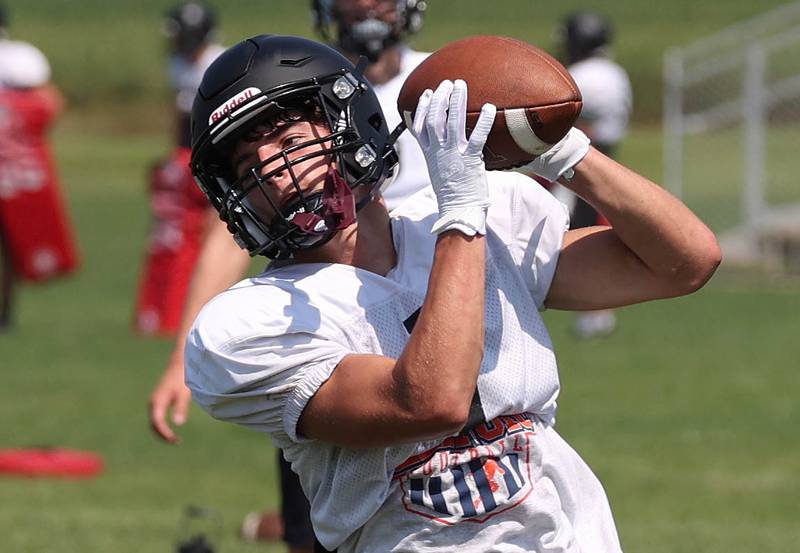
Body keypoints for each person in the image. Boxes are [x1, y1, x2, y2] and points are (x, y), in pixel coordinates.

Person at [183, 34, 721, 552]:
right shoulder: (249, 325)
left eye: (292, 143)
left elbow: (684, 262)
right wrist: (462, 213)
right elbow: (429, 402)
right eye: (250, 169)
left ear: (353, 126)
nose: (275, 178)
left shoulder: (478, 219)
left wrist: (565, 155)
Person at [146, 1, 430, 550]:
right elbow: (229, 239)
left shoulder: (448, 81)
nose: (366, 6)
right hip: (328, 328)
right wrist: (180, 355)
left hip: (439, 301)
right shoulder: (289, 85)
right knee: (322, 529)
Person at [133, 1, 225, 335]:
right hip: (188, 158)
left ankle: (206, 305)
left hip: (214, 158)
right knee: (180, 233)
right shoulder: (179, 65)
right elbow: (180, 118)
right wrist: (173, 157)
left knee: (213, 234)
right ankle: (178, 309)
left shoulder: (217, 64)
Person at [552, 10, 633, 339]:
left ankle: (593, 310)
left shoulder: (583, 75)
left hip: (580, 160)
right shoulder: (615, 72)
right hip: (610, 159)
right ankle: (598, 310)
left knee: (578, 234)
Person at [0, 3, 79, 331]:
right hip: (15, 167)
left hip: (11, 169)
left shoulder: (17, 60)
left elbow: (48, 103)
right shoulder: (19, 59)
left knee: (10, 244)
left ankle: (4, 314)